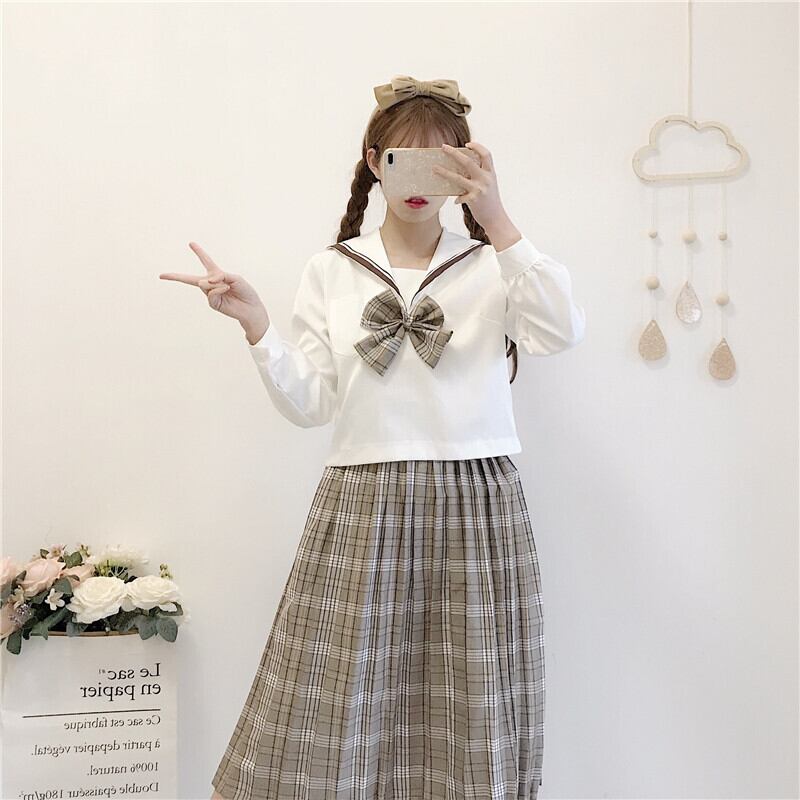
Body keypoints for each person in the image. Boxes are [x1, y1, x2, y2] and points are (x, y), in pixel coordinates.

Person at [160, 74, 586, 800]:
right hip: (365, 495)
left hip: (475, 497)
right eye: (401, 158)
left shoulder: (492, 263)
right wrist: (258, 326)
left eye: (438, 160)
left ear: (466, 165)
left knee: (472, 692)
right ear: (373, 160)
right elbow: (311, 403)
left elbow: (560, 330)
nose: (417, 179)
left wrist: (498, 218)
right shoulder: (333, 270)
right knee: (337, 692)